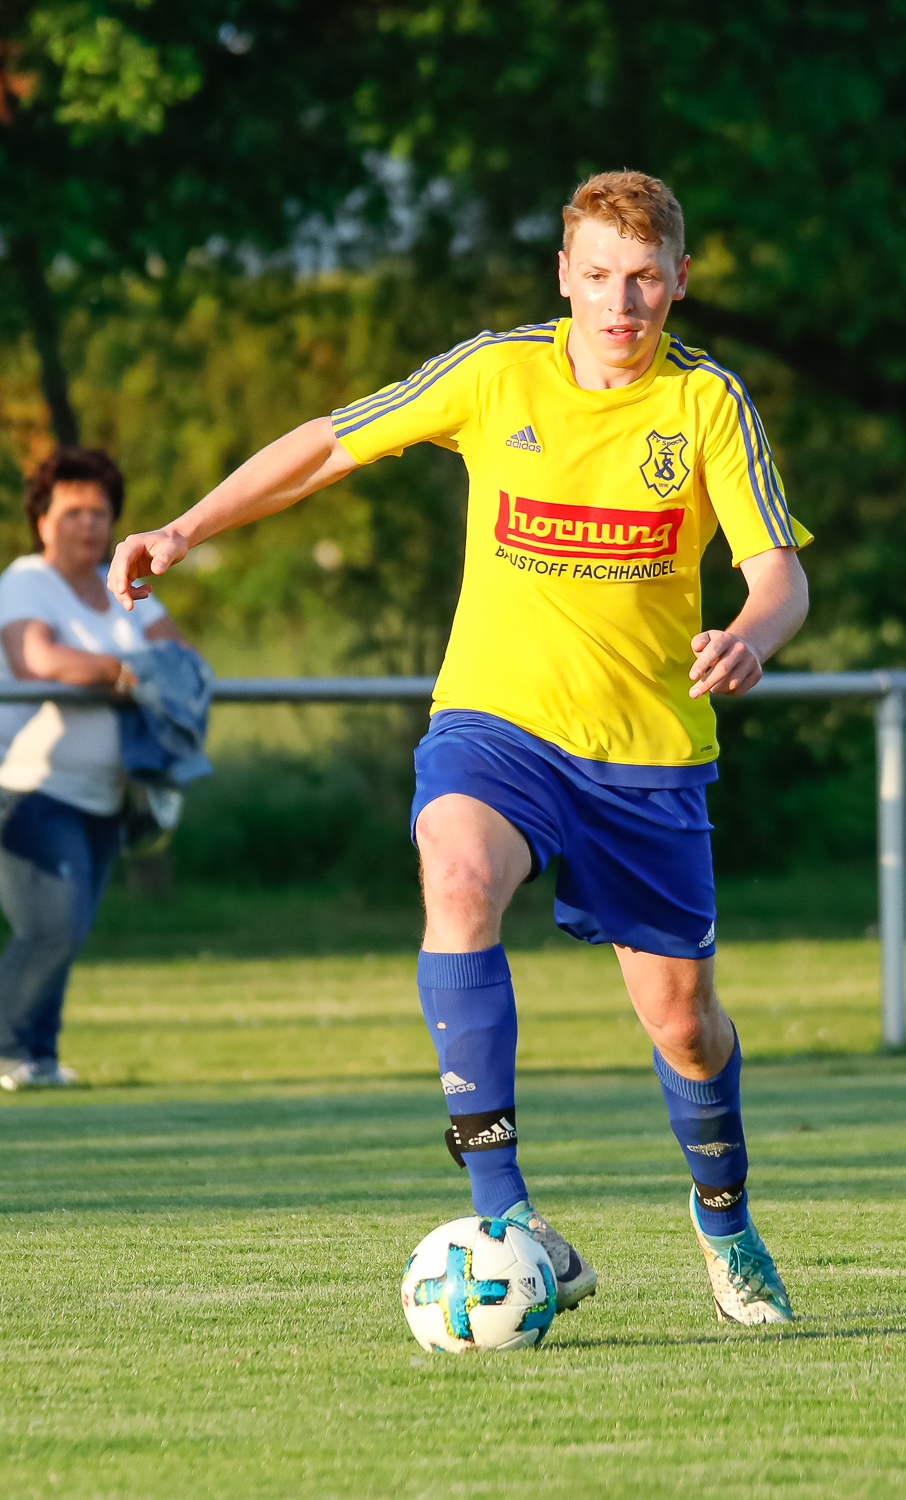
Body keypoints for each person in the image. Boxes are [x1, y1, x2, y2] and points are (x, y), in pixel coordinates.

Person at [109, 171, 811, 1325]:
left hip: (644, 755)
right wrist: (184, 528)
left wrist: (751, 635)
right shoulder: (496, 371)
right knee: (459, 874)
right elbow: (328, 447)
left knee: (685, 1027)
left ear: (680, 279)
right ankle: (506, 1214)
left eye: (644, 278)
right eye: (599, 276)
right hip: (497, 725)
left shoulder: (707, 403)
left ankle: (725, 1219)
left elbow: (778, 573)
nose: (622, 302)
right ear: (563, 276)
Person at [0, 448, 185, 1091]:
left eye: (99, 512)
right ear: (41, 520)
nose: (87, 524)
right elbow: (37, 660)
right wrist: (124, 672)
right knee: (49, 927)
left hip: (109, 795)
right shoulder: (28, 580)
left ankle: (40, 1057)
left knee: (68, 931)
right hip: (30, 787)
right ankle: (7, 1050)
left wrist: (131, 672)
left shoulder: (120, 587)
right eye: (72, 511)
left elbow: (182, 658)